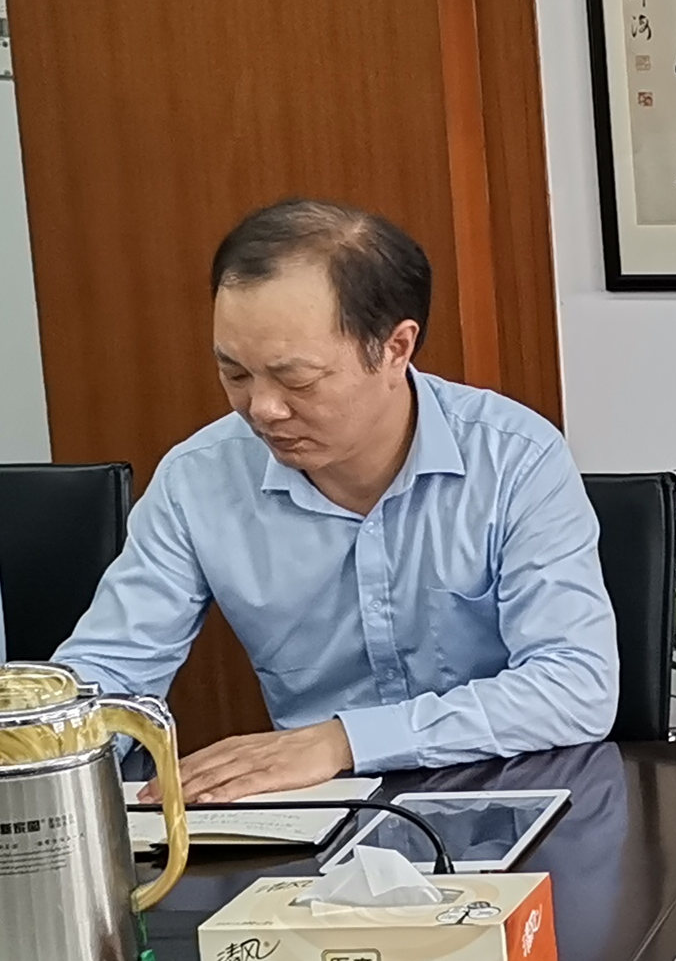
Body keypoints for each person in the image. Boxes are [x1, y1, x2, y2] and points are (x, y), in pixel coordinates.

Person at [56, 200, 617, 800]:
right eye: (235, 374)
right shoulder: (198, 479)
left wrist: (343, 741)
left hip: (508, 793)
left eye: (296, 379)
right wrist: (42, 741)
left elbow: (575, 686)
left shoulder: (513, 457)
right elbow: (108, 673)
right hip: (315, 815)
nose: (262, 409)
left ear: (396, 348)